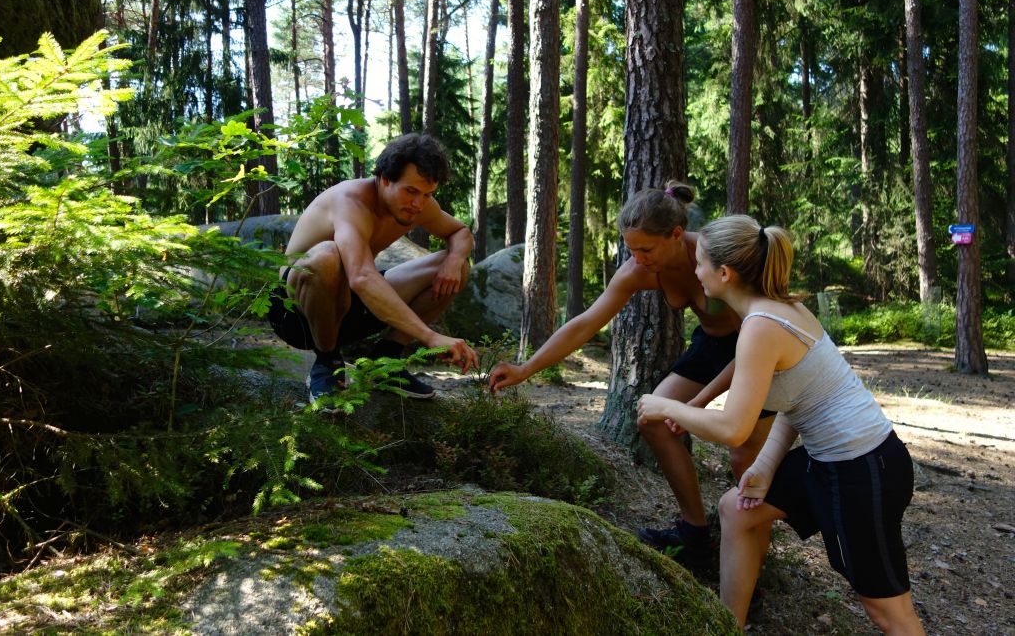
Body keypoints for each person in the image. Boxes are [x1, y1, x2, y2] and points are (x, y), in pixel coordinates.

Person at [636, 214, 924, 633]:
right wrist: (766, 466)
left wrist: (668, 407)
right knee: (737, 509)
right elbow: (795, 403)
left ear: (724, 272)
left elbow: (734, 429)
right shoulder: (776, 310)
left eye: (700, 263)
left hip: (862, 472)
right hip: (833, 461)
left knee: (888, 613)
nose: (695, 272)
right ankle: (727, 626)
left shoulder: (762, 326)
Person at [489, 182, 775, 565]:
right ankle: (695, 532)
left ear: (676, 235)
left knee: (744, 459)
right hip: (713, 344)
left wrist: (696, 403)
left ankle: (753, 561)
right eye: (631, 250)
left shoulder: (716, 253)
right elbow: (586, 323)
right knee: (652, 418)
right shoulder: (639, 270)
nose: (638, 259)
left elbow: (760, 334)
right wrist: (526, 368)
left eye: (646, 249)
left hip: (760, 346)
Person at [268, 132, 479, 403]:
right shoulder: (350, 201)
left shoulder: (419, 204)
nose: (418, 204)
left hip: (350, 303)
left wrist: (453, 260)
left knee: (457, 268)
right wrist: (429, 337)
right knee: (327, 256)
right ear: (385, 179)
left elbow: (461, 232)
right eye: (411, 191)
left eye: (428, 194)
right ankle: (327, 363)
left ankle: (387, 360)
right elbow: (362, 277)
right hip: (296, 315)